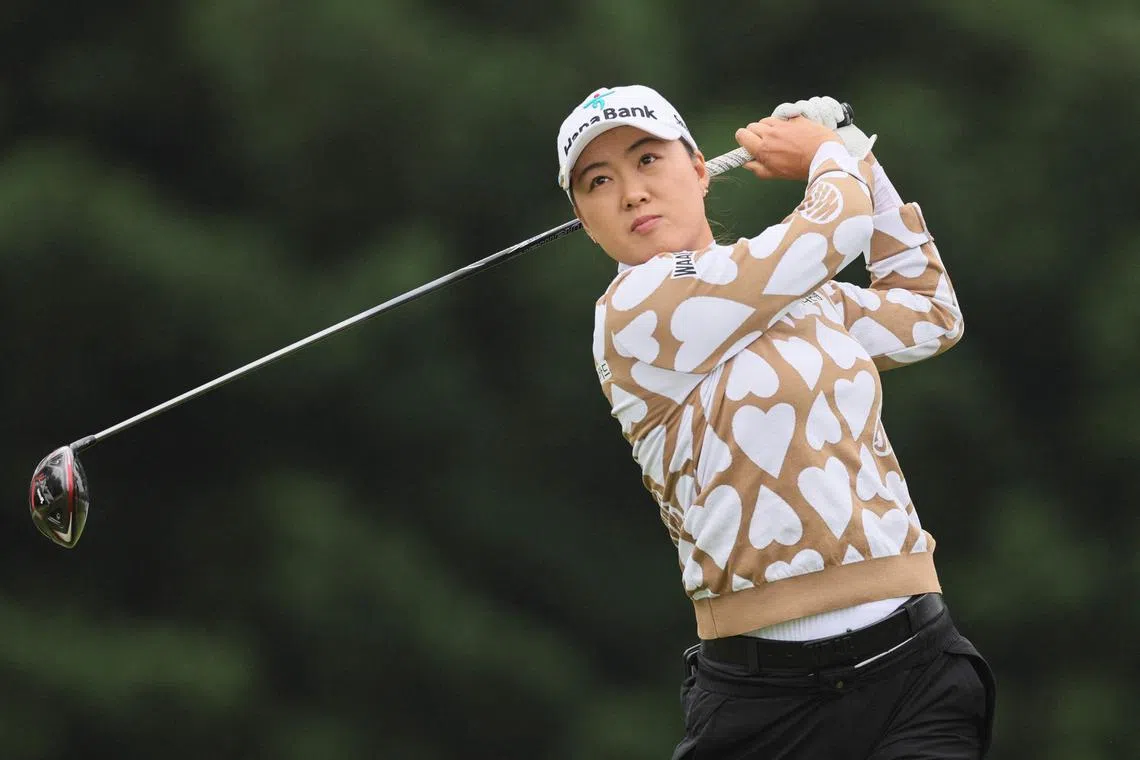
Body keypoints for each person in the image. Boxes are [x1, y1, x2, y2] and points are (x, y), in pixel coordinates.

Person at [555, 86, 996, 759]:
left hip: (916, 671)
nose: (632, 193)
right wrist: (829, 153)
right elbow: (830, 229)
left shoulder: (798, 295)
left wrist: (856, 155)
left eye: (647, 160)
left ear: (699, 168)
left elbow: (929, 311)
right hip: (764, 709)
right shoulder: (633, 313)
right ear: (584, 219)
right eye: (599, 181)